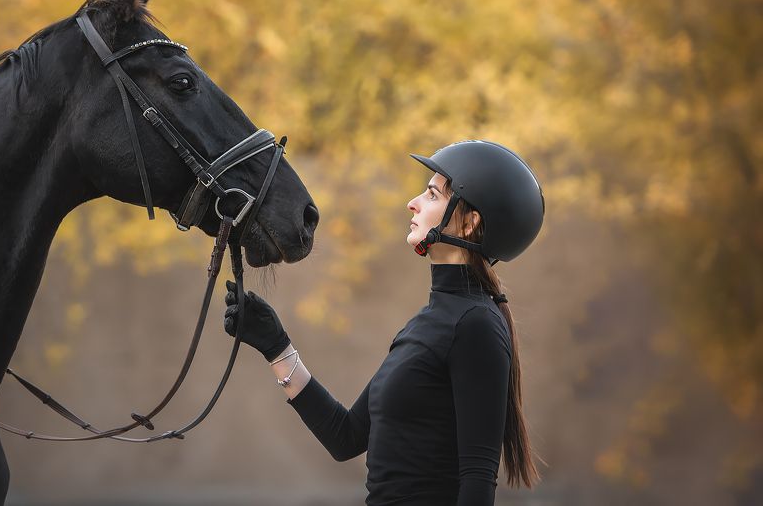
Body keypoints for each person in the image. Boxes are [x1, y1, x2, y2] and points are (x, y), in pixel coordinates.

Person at [224, 140, 545, 506]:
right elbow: (346, 437)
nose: (413, 203)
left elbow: (477, 481)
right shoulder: (425, 324)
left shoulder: (476, 326)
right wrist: (275, 344)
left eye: (432, 195)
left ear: (470, 224)